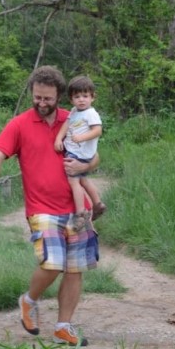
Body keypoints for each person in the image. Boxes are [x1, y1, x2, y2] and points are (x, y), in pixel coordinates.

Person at [0, 66, 99, 346]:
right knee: (53, 263)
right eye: (37, 97)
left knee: (74, 268)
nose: (42, 103)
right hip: (42, 208)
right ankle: (29, 300)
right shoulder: (19, 124)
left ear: (59, 96)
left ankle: (63, 326)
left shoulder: (75, 118)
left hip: (77, 208)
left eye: (48, 99)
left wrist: (86, 164)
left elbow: (94, 158)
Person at [53, 75, 107, 232]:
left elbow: (98, 130)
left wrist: (81, 137)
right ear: (71, 99)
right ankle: (97, 203)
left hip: (79, 153)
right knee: (82, 179)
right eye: (77, 97)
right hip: (77, 151)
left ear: (92, 97)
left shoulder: (91, 113)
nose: (81, 100)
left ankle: (80, 213)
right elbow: (67, 124)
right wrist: (58, 137)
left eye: (85, 96)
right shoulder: (75, 111)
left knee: (74, 182)